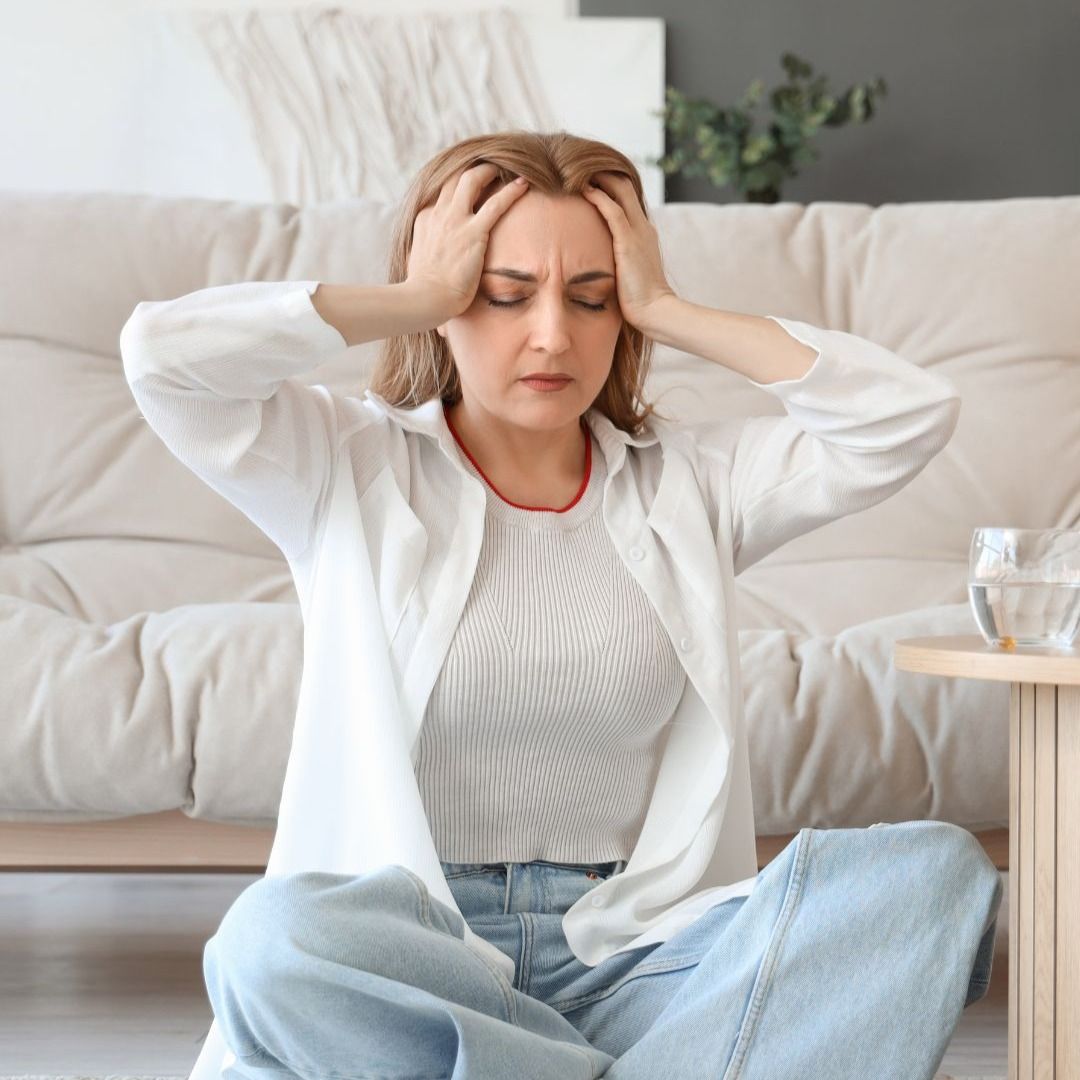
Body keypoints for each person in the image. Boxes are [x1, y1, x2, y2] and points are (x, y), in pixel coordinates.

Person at [122, 129, 1002, 1079]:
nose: (552, 336)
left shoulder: (694, 485)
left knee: (936, 877)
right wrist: (412, 298)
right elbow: (164, 360)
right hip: (426, 958)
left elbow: (904, 416)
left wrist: (670, 309)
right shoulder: (341, 466)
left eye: (592, 298)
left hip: (637, 960)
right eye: (503, 295)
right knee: (273, 942)